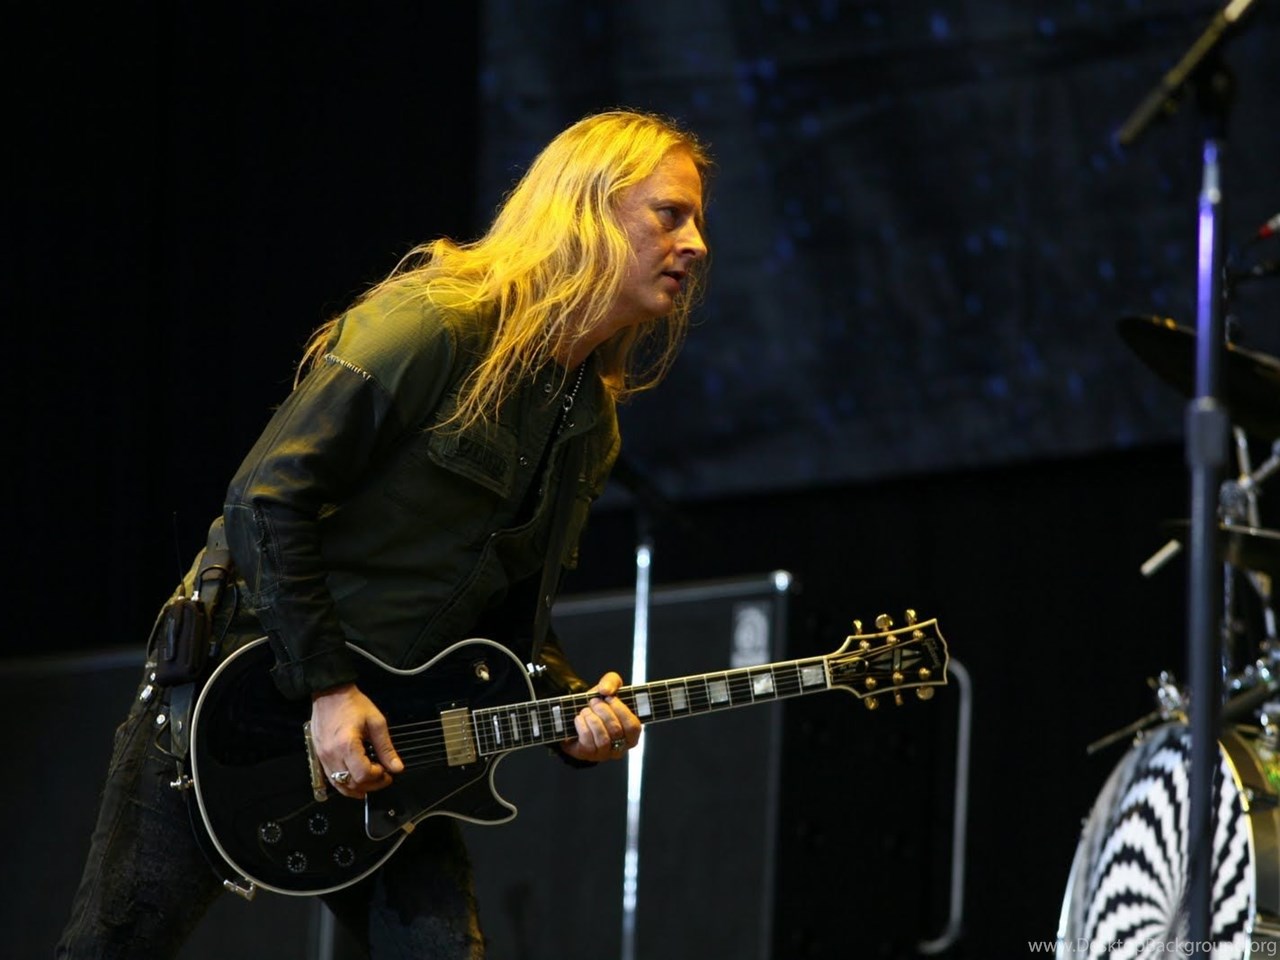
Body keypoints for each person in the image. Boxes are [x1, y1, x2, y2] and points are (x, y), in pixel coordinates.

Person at [57, 107, 710, 959]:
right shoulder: (436, 321)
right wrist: (328, 688)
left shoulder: (591, 421)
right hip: (236, 689)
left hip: (395, 736)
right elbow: (266, 498)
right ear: (588, 206)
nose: (696, 244)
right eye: (670, 214)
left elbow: (512, 617)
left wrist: (570, 705)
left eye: (697, 221)